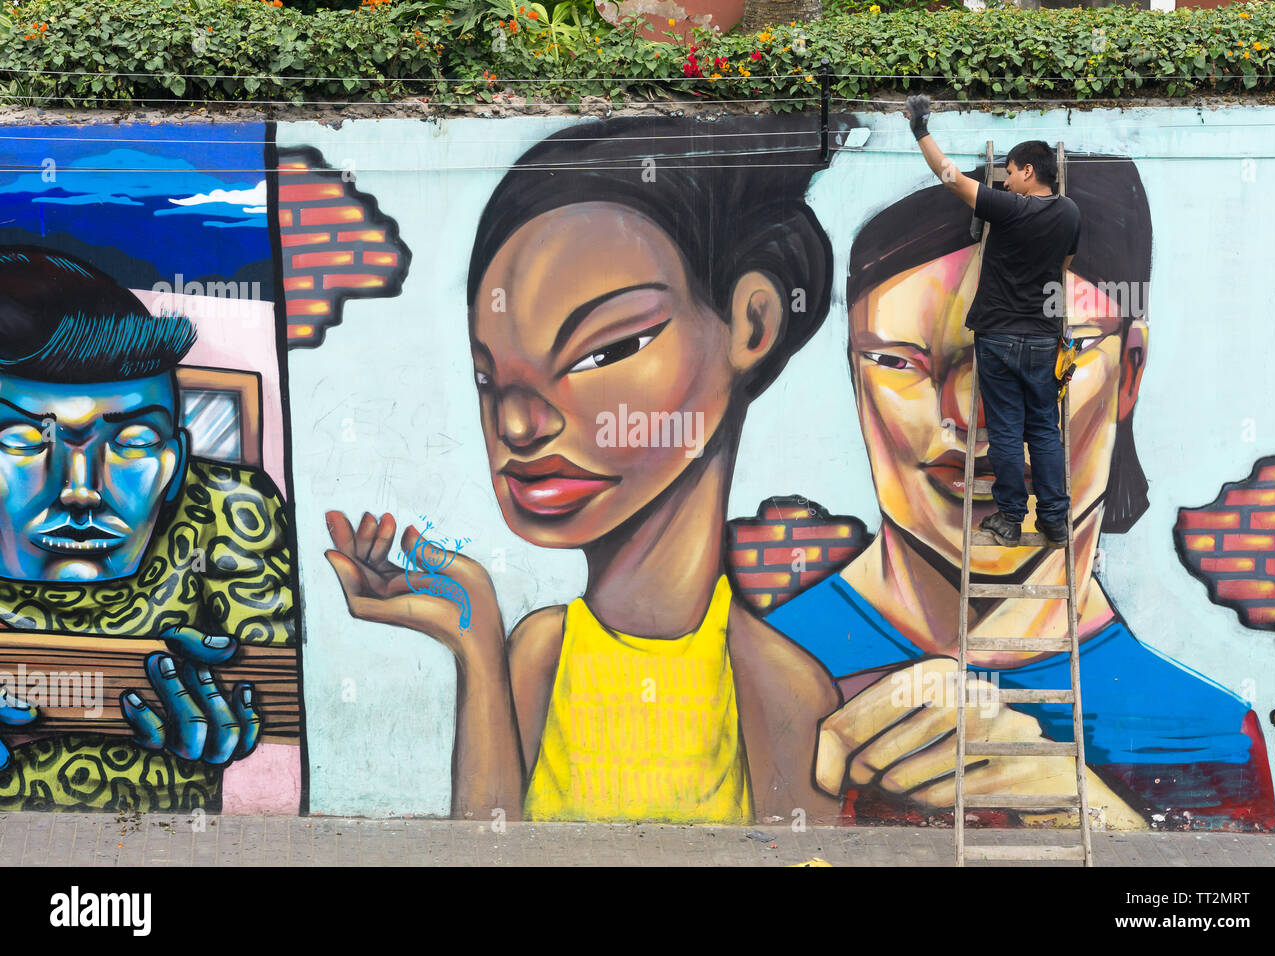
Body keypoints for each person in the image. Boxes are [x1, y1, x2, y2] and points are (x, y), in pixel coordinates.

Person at [324, 117, 850, 825]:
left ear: (751, 323)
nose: (516, 425)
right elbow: (485, 853)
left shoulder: (780, 686)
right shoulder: (538, 651)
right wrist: (475, 641)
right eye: (490, 380)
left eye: (602, 352)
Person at [766, 154, 1275, 829]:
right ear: (855, 378)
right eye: (899, 362)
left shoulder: (1210, 732)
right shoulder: (756, 668)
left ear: (1130, 372)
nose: (964, 415)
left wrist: (1092, 817)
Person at [0, 246, 297, 811]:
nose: (81, 490)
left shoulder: (226, 514)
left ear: (176, 461)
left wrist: (238, 684)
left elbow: (285, 687)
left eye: (134, 442)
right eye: (23, 439)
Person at [905, 94, 1078, 549]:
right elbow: (1065, 260)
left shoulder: (1008, 209)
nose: (1003, 178)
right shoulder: (1069, 213)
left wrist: (921, 130)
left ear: (1027, 171)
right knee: (1043, 428)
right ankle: (1056, 521)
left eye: (1009, 171)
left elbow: (953, 180)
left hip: (1000, 336)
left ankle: (1010, 518)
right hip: (1043, 339)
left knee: (1004, 428)